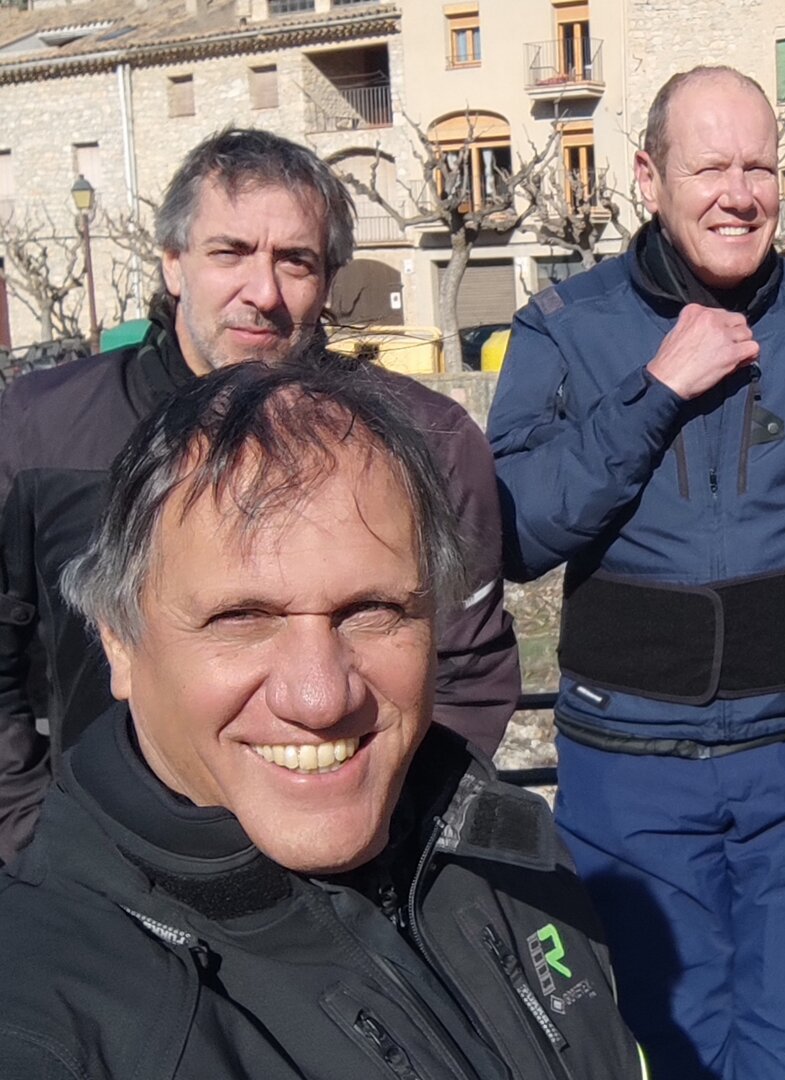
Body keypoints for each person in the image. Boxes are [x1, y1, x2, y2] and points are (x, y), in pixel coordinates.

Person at [0, 360, 644, 1079]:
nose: (321, 698)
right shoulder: (46, 1018)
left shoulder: (509, 852)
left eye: (373, 610)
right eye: (241, 617)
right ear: (117, 640)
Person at [488, 66, 785, 1079]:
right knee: (670, 1048)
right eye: (710, 167)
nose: (739, 192)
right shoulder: (563, 329)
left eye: (760, 167)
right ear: (647, 177)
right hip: (630, 772)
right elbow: (514, 531)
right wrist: (653, 393)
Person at [0, 127, 519, 864]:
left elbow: (469, 670)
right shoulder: (38, 430)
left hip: (356, 876)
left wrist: (387, 838)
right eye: (230, 252)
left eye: (295, 261)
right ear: (173, 263)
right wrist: (30, 837)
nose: (263, 292)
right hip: (105, 871)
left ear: (330, 277)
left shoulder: (428, 441)